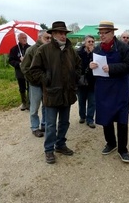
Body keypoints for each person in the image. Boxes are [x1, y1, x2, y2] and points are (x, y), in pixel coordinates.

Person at [29, 21, 82, 164]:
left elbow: (79, 65)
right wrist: (46, 79)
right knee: (51, 125)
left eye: (64, 33)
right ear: (53, 34)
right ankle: (49, 150)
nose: (63, 36)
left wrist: (75, 77)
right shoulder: (44, 50)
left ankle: (60, 145)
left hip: (67, 93)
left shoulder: (71, 50)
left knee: (64, 123)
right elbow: (33, 70)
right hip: (52, 94)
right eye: (59, 33)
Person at [89, 21, 129, 163]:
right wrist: (90, 65)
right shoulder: (97, 49)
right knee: (106, 118)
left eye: (105, 33)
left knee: (122, 119)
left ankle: (123, 149)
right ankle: (111, 143)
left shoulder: (123, 48)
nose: (102, 35)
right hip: (103, 88)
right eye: (100, 33)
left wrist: (112, 68)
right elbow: (91, 69)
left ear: (112, 33)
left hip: (120, 88)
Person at [20, 30, 51, 138]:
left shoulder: (49, 49)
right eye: (47, 38)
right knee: (34, 106)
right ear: (39, 37)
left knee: (46, 105)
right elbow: (24, 67)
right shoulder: (31, 50)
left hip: (46, 83)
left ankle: (44, 124)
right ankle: (34, 127)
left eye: (50, 38)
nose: (49, 40)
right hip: (35, 84)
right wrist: (34, 79)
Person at [76, 35, 96, 129]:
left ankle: (90, 119)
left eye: (92, 41)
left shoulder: (96, 53)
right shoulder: (79, 53)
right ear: (85, 42)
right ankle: (82, 116)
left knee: (92, 102)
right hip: (82, 81)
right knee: (82, 101)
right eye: (89, 41)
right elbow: (78, 66)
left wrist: (93, 54)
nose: (91, 43)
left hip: (92, 81)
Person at [8, 32, 31, 111]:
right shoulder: (14, 49)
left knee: (30, 87)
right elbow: (10, 60)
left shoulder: (30, 48)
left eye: (25, 38)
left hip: (29, 71)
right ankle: (24, 103)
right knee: (22, 88)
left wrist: (26, 60)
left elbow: (35, 59)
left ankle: (29, 103)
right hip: (19, 72)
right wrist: (19, 63)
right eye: (23, 38)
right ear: (18, 39)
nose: (25, 39)